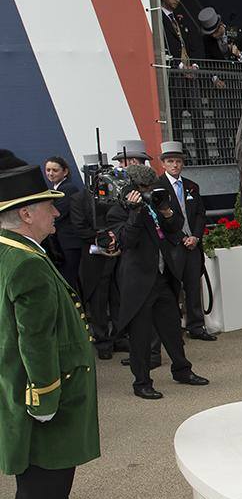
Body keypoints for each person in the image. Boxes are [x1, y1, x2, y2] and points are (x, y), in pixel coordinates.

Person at [0, 161, 99, 499]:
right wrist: (44, 400)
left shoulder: (13, 251)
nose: (56, 214)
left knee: (42, 486)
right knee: (45, 485)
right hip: (42, 396)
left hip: (23, 390)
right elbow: (35, 340)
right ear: (25, 213)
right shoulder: (26, 264)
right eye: (48, 206)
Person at [107, 165, 208, 398]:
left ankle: (182, 370)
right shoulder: (117, 211)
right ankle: (141, 382)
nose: (147, 191)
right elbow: (126, 241)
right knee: (141, 335)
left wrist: (167, 211)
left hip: (163, 276)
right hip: (138, 281)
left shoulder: (155, 203)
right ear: (131, 187)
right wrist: (135, 211)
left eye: (149, 187)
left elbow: (174, 230)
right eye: (143, 188)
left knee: (172, 328)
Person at [157, 141, 215, 341]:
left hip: (193, 245)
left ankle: (196, 326)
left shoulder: (192, 186)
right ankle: (173, 330)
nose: (175, 165)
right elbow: (161, 221)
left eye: (178, 161)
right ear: (163, 164)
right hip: (173, 245)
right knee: (172, 289)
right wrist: (182, 238)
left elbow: (200, 214)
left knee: (193, 287)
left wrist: (196, 237)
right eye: (171, 161)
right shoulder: (158, 187)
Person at [69, 154, 121, 361]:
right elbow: (79, 228)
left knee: (116, 298)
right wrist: (102, 238)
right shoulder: (78, 199)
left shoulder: (113, 195)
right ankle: (102, 341)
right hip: (94, 258)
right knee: (98, 302)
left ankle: (118, 337)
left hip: (115, 256)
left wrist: (114, 237)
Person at [43, 156, 81, 291]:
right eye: (48, 170)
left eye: (55, 170)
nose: (50, 173)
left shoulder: (68, 189)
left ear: (65, 172)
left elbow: (58, 214)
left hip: (69, 244)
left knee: (69, 282)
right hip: (61, 244)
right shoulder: (56, 188)